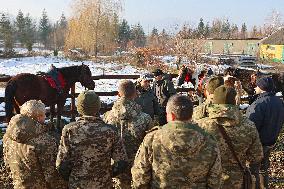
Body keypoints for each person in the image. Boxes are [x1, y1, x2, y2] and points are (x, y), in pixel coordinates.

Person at [131, 95, 222, 188]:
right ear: (191, 115)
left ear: (172, 115)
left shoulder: (152, 138)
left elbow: (140, 177)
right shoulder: (209, 140)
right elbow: (215, 180)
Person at [56, 90, 128, 189]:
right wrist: (106, 175)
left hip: (77, 185)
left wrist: (75, 177)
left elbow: (61, 165)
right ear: (97, 107)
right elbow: (121, 162)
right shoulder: (110, 131)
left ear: (79, 108)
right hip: (103, 184)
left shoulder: (69, 130)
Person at [196, 86, 263, 188]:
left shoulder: (201, 126)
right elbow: (256, 156)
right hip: (236, 181)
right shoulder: (248, 126)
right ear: (234, 101)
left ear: (214, 101)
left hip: (208, 181)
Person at [3, 100, 67, 189]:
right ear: (38, 117)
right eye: (44, 114)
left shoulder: (8, 136)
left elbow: (7, 164)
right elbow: (52, 175)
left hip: (17, 185)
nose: (45, 116)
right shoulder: (44, 141)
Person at [103, 80, 153, 189]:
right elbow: (150, 147)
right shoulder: (145, 118)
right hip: (138, 170)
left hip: (115, 169)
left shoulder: (107, 117)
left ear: (118, 94)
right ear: (135, 94)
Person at [246, 77, 284, 189]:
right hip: (271, 141)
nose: (255, 87)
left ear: (262, 88)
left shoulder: (258, 104)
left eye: (257, 86)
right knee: (263, 169)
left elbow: (250, 126)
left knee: (254, 170)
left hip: (259, 143)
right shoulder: (279, 102)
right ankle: (264, 186)